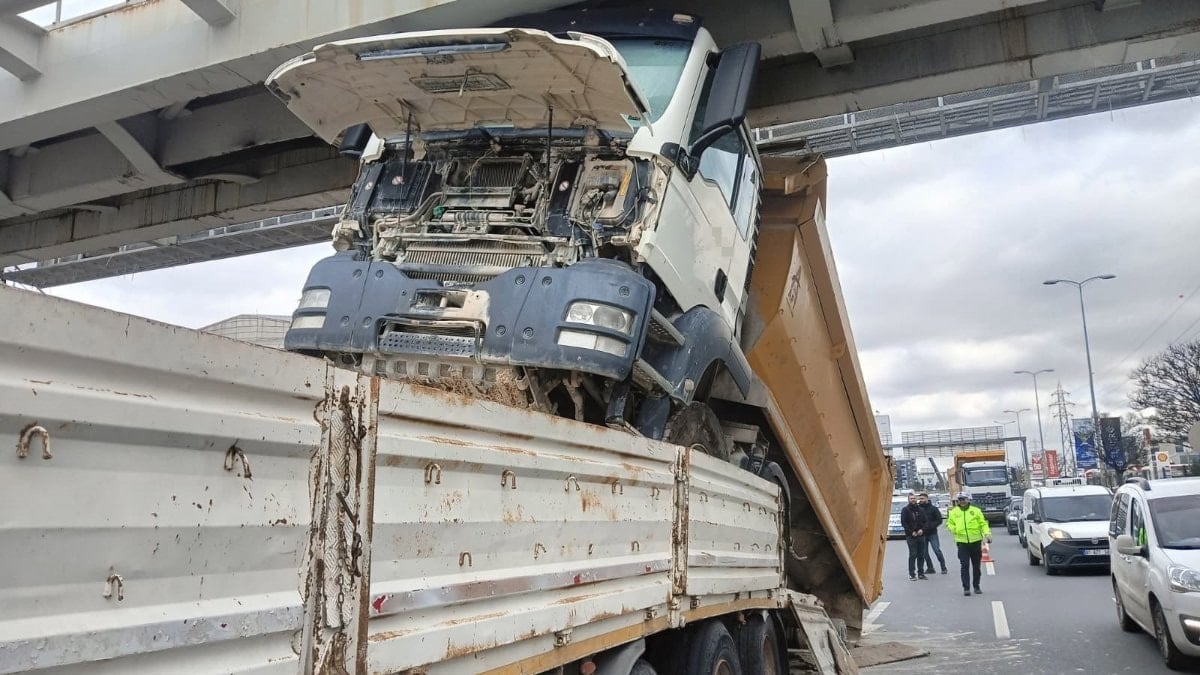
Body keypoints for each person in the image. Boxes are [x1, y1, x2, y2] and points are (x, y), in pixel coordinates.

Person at [945, 491, 991, 596]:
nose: (962, 501)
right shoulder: (954, 512)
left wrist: (987, 534)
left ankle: (976, 586)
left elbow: (983, 524)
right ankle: (966, 588)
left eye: (964, 499)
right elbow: (949, 524)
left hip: (975, 541)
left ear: (968, 500)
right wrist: (954, 529)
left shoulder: (976, 511)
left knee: (976, 566)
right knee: (964, 565)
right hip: (962, 543)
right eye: (960, 499)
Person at [899, 492, 929, 580]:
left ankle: (921, 573)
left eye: (914, 498)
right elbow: (904, 523)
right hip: (911, 536)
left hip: (921, 535)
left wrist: (922, 530)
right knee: (913, 554)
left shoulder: (920, 510)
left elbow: (926, 522)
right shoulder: (905, 510)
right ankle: (912, 574)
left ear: (916, 499)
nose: (913, 500)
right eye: (911, 498)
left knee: (921, 555)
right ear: (908, 500)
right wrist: (911, 532)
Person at [917, 492, 948, 574]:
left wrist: (930, 526)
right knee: (924, 553)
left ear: (927, 498)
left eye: (922, 498)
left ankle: (943, 567)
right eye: (920, 499)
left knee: (937, 550)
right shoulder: (918, 509)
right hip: (922, 534)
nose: (921, 500)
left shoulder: (933, 509)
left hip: (932, 533)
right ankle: (930, 568)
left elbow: (939, 520)